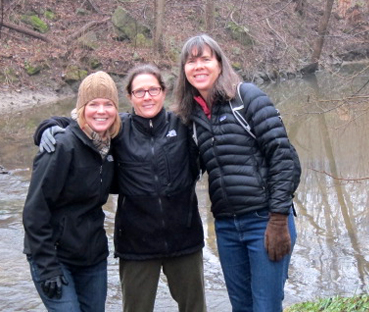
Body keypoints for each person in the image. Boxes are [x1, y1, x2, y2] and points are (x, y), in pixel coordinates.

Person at [34, 64, 206, 312]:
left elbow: (214, 123)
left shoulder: (182, 125)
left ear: (163, 92)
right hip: (136, 246)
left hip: (185, 241)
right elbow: (83, 122)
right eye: (139, 91)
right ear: (129, 97)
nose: (147, 96)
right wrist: (48, 126)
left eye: (153, 90)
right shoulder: (118, 130)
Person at [172, 34, 302, 312]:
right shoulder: (191, 115)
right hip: (227, 226)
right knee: (241, 307)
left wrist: (278, 219)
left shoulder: (246, 98)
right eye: (191, 61)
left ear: (219, 63)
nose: (199, 66)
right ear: (184, 70)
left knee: (265, 306)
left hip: (265, 220)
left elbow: (284, 157)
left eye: (205, 59)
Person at [23, 71, 122, 312]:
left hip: (92, 257)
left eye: (108, 104)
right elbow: (35, 211)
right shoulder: (61, 146)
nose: (101, 111)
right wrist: (47, 266)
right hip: (55, 256)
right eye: (93, 104)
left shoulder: (109, 145)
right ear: (81, 109)